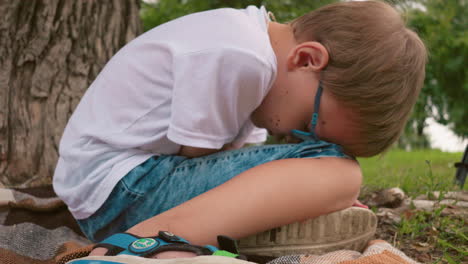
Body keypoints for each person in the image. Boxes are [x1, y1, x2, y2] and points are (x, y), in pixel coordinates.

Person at [53, 0, 426, 259]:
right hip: (124, 189)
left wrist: (307, 192)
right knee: (341, 171)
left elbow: (237, 163)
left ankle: (214, 235)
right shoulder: (243, 56)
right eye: (306, 128)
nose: (292, 138)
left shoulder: (251, 47)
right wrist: (318, 182)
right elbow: (206, 157)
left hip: (115, 189)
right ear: (307, 58)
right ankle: (137, 244)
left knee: (331, 177)